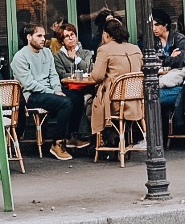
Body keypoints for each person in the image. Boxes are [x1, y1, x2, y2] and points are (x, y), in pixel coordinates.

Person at [9, 24, 75, 159]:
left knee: (76, 97)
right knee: (66, 103)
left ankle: (71, 136)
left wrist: (56, 89)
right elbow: (29, 84)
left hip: (49, 92)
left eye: (44, 36)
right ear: (29, 37)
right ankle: (57, 143)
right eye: (39, 36)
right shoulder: (20, 57)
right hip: (32, 95)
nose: (43, 39)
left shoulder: (47, 52)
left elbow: (53, 75)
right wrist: (52, 92)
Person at [85, 16, 143, 139]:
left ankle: (96, 140)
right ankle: (119, 139)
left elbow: (97, 76)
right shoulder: (136, 48)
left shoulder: (104, 50)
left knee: (88, 102)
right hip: (135, 102)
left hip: (114, 104)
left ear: (106, 34)